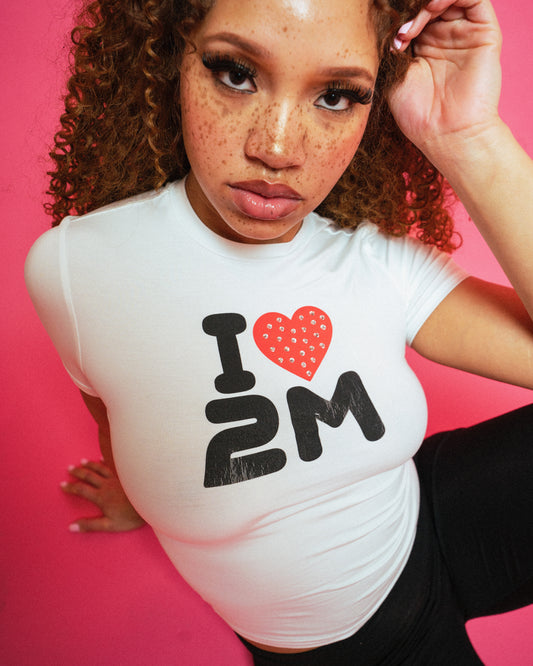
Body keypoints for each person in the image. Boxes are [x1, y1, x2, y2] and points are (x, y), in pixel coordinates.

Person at [25, 0, 533, 663]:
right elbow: (109, 405)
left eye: (336, 95)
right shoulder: (75, 268)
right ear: (171, 61)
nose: (277, 148)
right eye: (235, 73)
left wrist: (468, 138)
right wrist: (136, 495)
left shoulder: (374, 258)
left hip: (434, 516)